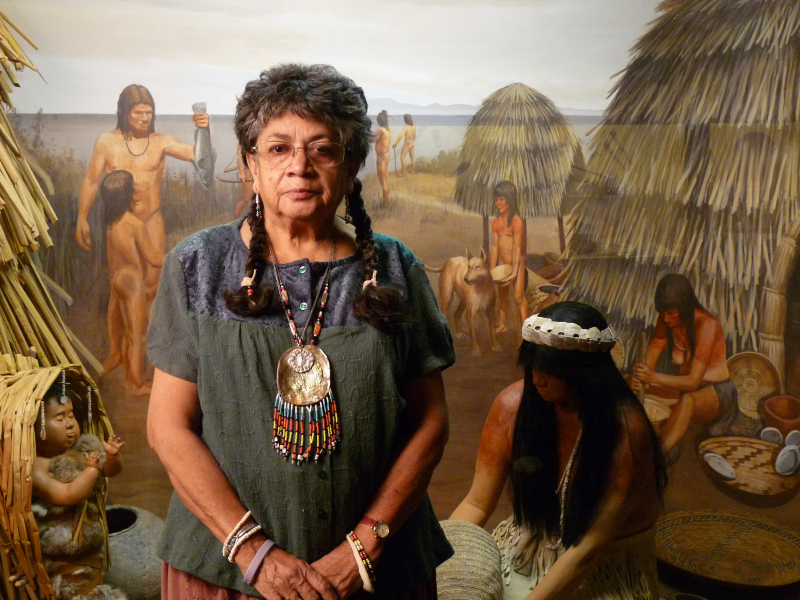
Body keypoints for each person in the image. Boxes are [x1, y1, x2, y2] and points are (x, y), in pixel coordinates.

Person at [146, 63, 455, 600]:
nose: (300, 168)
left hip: (377, 575)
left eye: (323, 149)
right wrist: (254, 555)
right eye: (278, 148)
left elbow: (430, 422)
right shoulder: (197, 265)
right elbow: (168, 428)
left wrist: (363, 546)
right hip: (227, 577)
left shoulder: (395, 268)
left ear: (353, 163)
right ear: (250, 164)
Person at [451, 302, 667, 600]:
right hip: (526, 545)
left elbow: (587, 551)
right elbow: (476, 503)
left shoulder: (626, 432)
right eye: (533, 364)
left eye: (551, 369)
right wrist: (439, 564)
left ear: (585, 373)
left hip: (603, 565)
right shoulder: (512, 405)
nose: (537, 378)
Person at [75, 84, 209, 376]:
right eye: (138, 113)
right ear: (125, 113)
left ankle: (144, 353)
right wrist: (82, 217)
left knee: (150, 288)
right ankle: (115, 353)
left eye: (149, 113)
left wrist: (203, 130)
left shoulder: (160, 142)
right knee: (118, 289)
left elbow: (198, 157)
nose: (144, 118)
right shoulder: (106, 142)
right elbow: (91, 180)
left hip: (151, 222)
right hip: (119, 224)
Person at [632, 273, 759, 453]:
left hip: (715, 392)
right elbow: (649, 360)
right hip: (682, 386)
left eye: (671, 313)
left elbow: (693, 382)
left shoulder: (707, 324)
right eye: (662, 313)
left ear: (684, 307)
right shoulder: (666, 321)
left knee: (687, 401)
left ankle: (659, 454)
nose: (666, 319)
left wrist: (652, 377)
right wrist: (640, 377)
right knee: (628, 382)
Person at [33, 381, 124, 600]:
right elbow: (66, 495)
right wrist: (91, 472)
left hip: (90, 544)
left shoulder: (85, 448)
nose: (70, 424)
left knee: (93, 584)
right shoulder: (37, 465)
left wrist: (112, 457)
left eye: (71, 415)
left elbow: (111, 471)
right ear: (37, 427)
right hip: (62, 549)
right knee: (74, 589)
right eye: (59, 418)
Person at [101, 170, 165, 396]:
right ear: (126, 194)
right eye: (133, 187)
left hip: (120, 280)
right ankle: (137, 385)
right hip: (133, 282)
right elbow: (155, 259)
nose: (137, 190)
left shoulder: (113, 223)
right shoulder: (135, 223)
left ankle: (130, 380)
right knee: (138, 336)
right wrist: (178, 254)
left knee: (130, 334)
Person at [490, 181, 527, 334]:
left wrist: (514, 272)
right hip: (503, 265)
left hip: (517, 265)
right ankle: (502, 324)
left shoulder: (517, 221)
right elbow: (495, 247)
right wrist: (493, 269)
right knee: (503, 296)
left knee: (518, 297)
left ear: (510, 199)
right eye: (496, 199)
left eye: (501, 199)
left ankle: (526, 328)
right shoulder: (496, 223)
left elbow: (518, 248)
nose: (497, 203)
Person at [373, 109, 391, 204]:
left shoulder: (380, 130)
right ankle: (386, 202)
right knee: (385, 180)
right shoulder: (388, 129)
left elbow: (373, 140)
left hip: (381, 157)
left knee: (383, 182)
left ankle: (385, 204)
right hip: (387, 155)